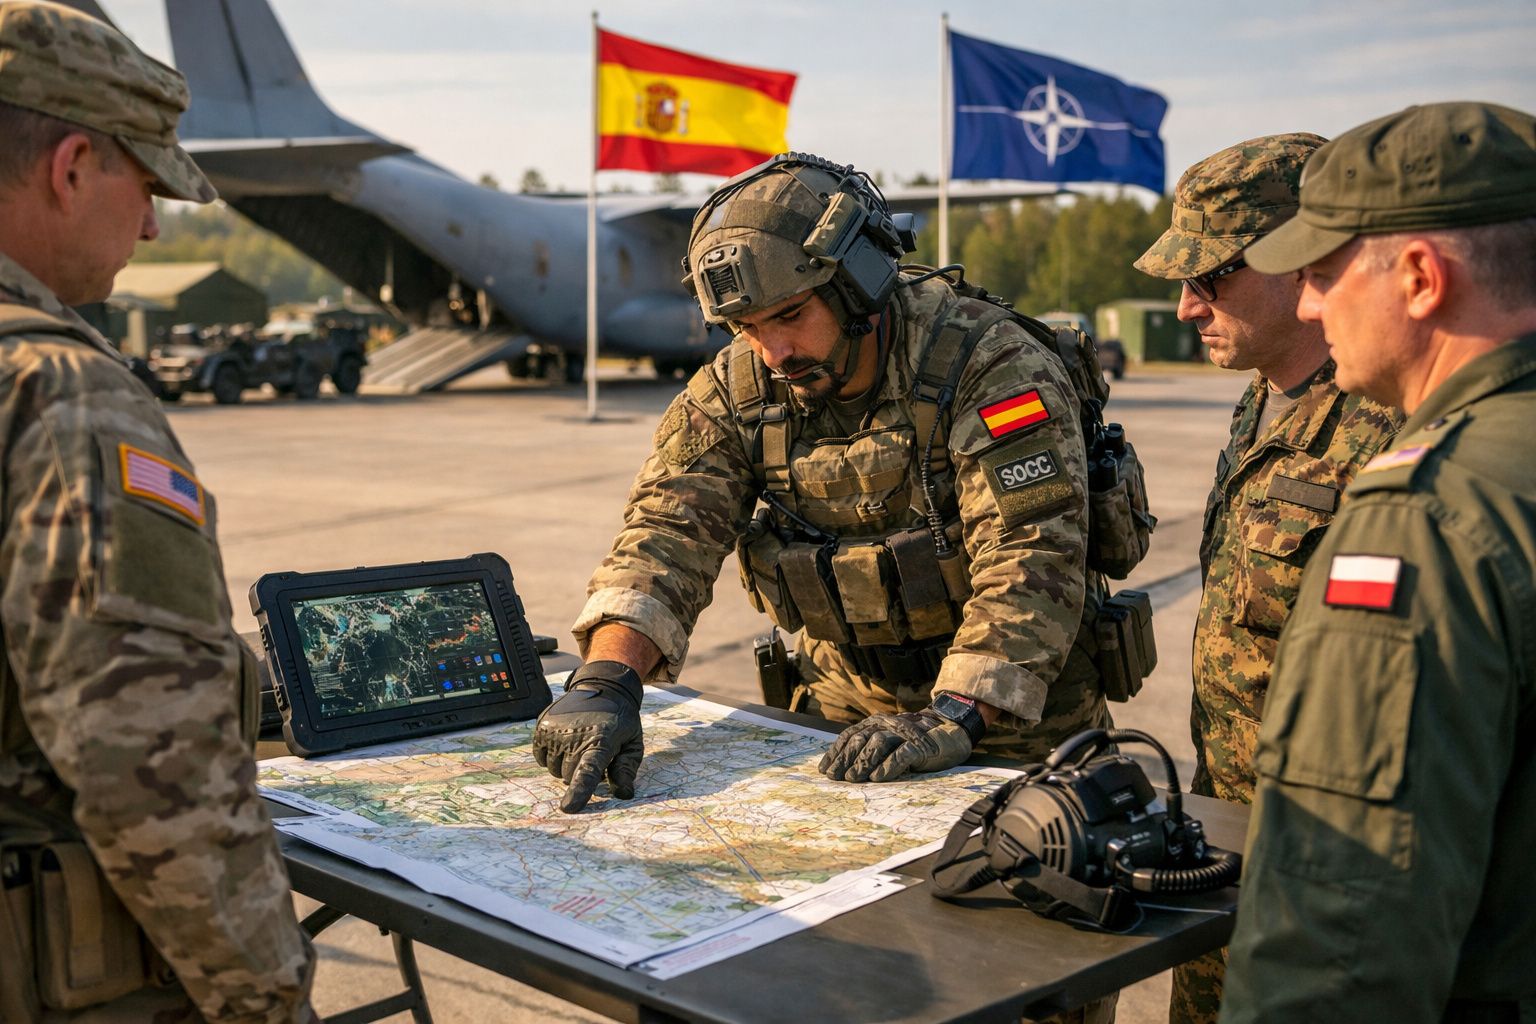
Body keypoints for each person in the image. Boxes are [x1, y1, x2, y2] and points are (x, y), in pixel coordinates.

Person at [533, 153, 1124, 814]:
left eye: (789, 315)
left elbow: (1034, 558)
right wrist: (606, 683)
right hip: (837, 718)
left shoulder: (993, 367)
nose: (773, 353)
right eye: (746, 328)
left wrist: (955, 715)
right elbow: (664, 536)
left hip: (1014, 727)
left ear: (858, 285)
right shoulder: (737, 388)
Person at [0, 3, 317, 1021]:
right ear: (74, 164)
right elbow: (151, 769)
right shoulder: (63, 394)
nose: (149, 226)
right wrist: (269, 1001)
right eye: (146, 187)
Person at [1219, 101, 1536, 1021]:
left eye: (1321, 273)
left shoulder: (1433, 514)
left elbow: (1342, 934)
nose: (1310, 304)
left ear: (1421, 278)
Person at [1133, 134, 1402, 1023]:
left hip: (1330, 866)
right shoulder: (1261, 397)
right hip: (1229, 833)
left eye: (1210, 279)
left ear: (1302, 261)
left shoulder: (1389, 425)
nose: (1185, 306)